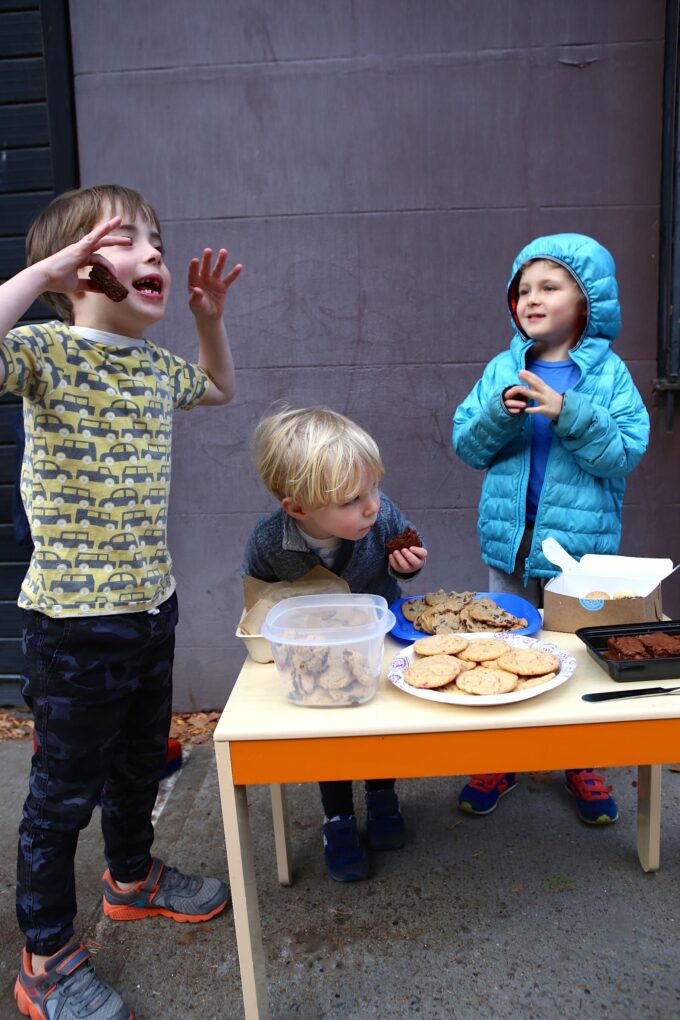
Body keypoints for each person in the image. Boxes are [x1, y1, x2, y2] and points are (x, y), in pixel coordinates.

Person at [0, 183, 242, 1020]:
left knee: (141, 762)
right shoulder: (43, 350)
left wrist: (209, 318)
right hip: (73, 626)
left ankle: (132, 880)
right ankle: (45, 960)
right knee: (62, 797)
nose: (153, 255)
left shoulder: (153, 365)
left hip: (150, 608)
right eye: (126, 240)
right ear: (76, 268)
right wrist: (41, 275)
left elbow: (219, 389)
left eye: (157, 243)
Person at [452, 233, 649, 825]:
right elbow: (467, 445)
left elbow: (622, 455)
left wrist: (569, 413)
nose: (531, 299)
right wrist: (497, 414)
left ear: (587, 301)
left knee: (576, 654)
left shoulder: (609, 375)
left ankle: (579, 760)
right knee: (504, 649)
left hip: (577, 554)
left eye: (550, 287)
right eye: (523, 290)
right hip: (509, 546)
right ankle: (504, 756)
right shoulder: (502, 369)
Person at [243, 405, 428, 882]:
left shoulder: (382, 518)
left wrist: (410, 565)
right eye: (351, 500)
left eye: (374, 488)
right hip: (315, 654)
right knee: (330, 731)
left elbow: (409, 548)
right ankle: (338, 815)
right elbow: (260, 598)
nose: (371, 506)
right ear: (298, 508)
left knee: (379, 722)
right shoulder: (270, 542)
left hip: (378, 641)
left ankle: (382, 793)